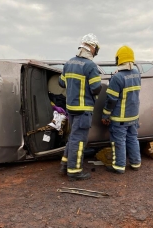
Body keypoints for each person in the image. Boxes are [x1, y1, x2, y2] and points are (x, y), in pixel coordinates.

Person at [58, 33, 102, 181]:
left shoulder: (69, 63)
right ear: (92, 47)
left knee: (72, 138)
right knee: (79, 140)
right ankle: (75, 171)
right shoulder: (90, 66)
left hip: (71, 107)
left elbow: (61, 83)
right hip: (84, 109)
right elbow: (96, 88)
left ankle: (64, 166)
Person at [101, 45, 141, 174]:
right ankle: (136, 163)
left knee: (119, 142)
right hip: (133, 117)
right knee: (132, 139)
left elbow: (111, 100)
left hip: (120, 118)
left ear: (119, 59)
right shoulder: (137, 74)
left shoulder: (117, 78)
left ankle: (119, 166)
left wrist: (105, 115)